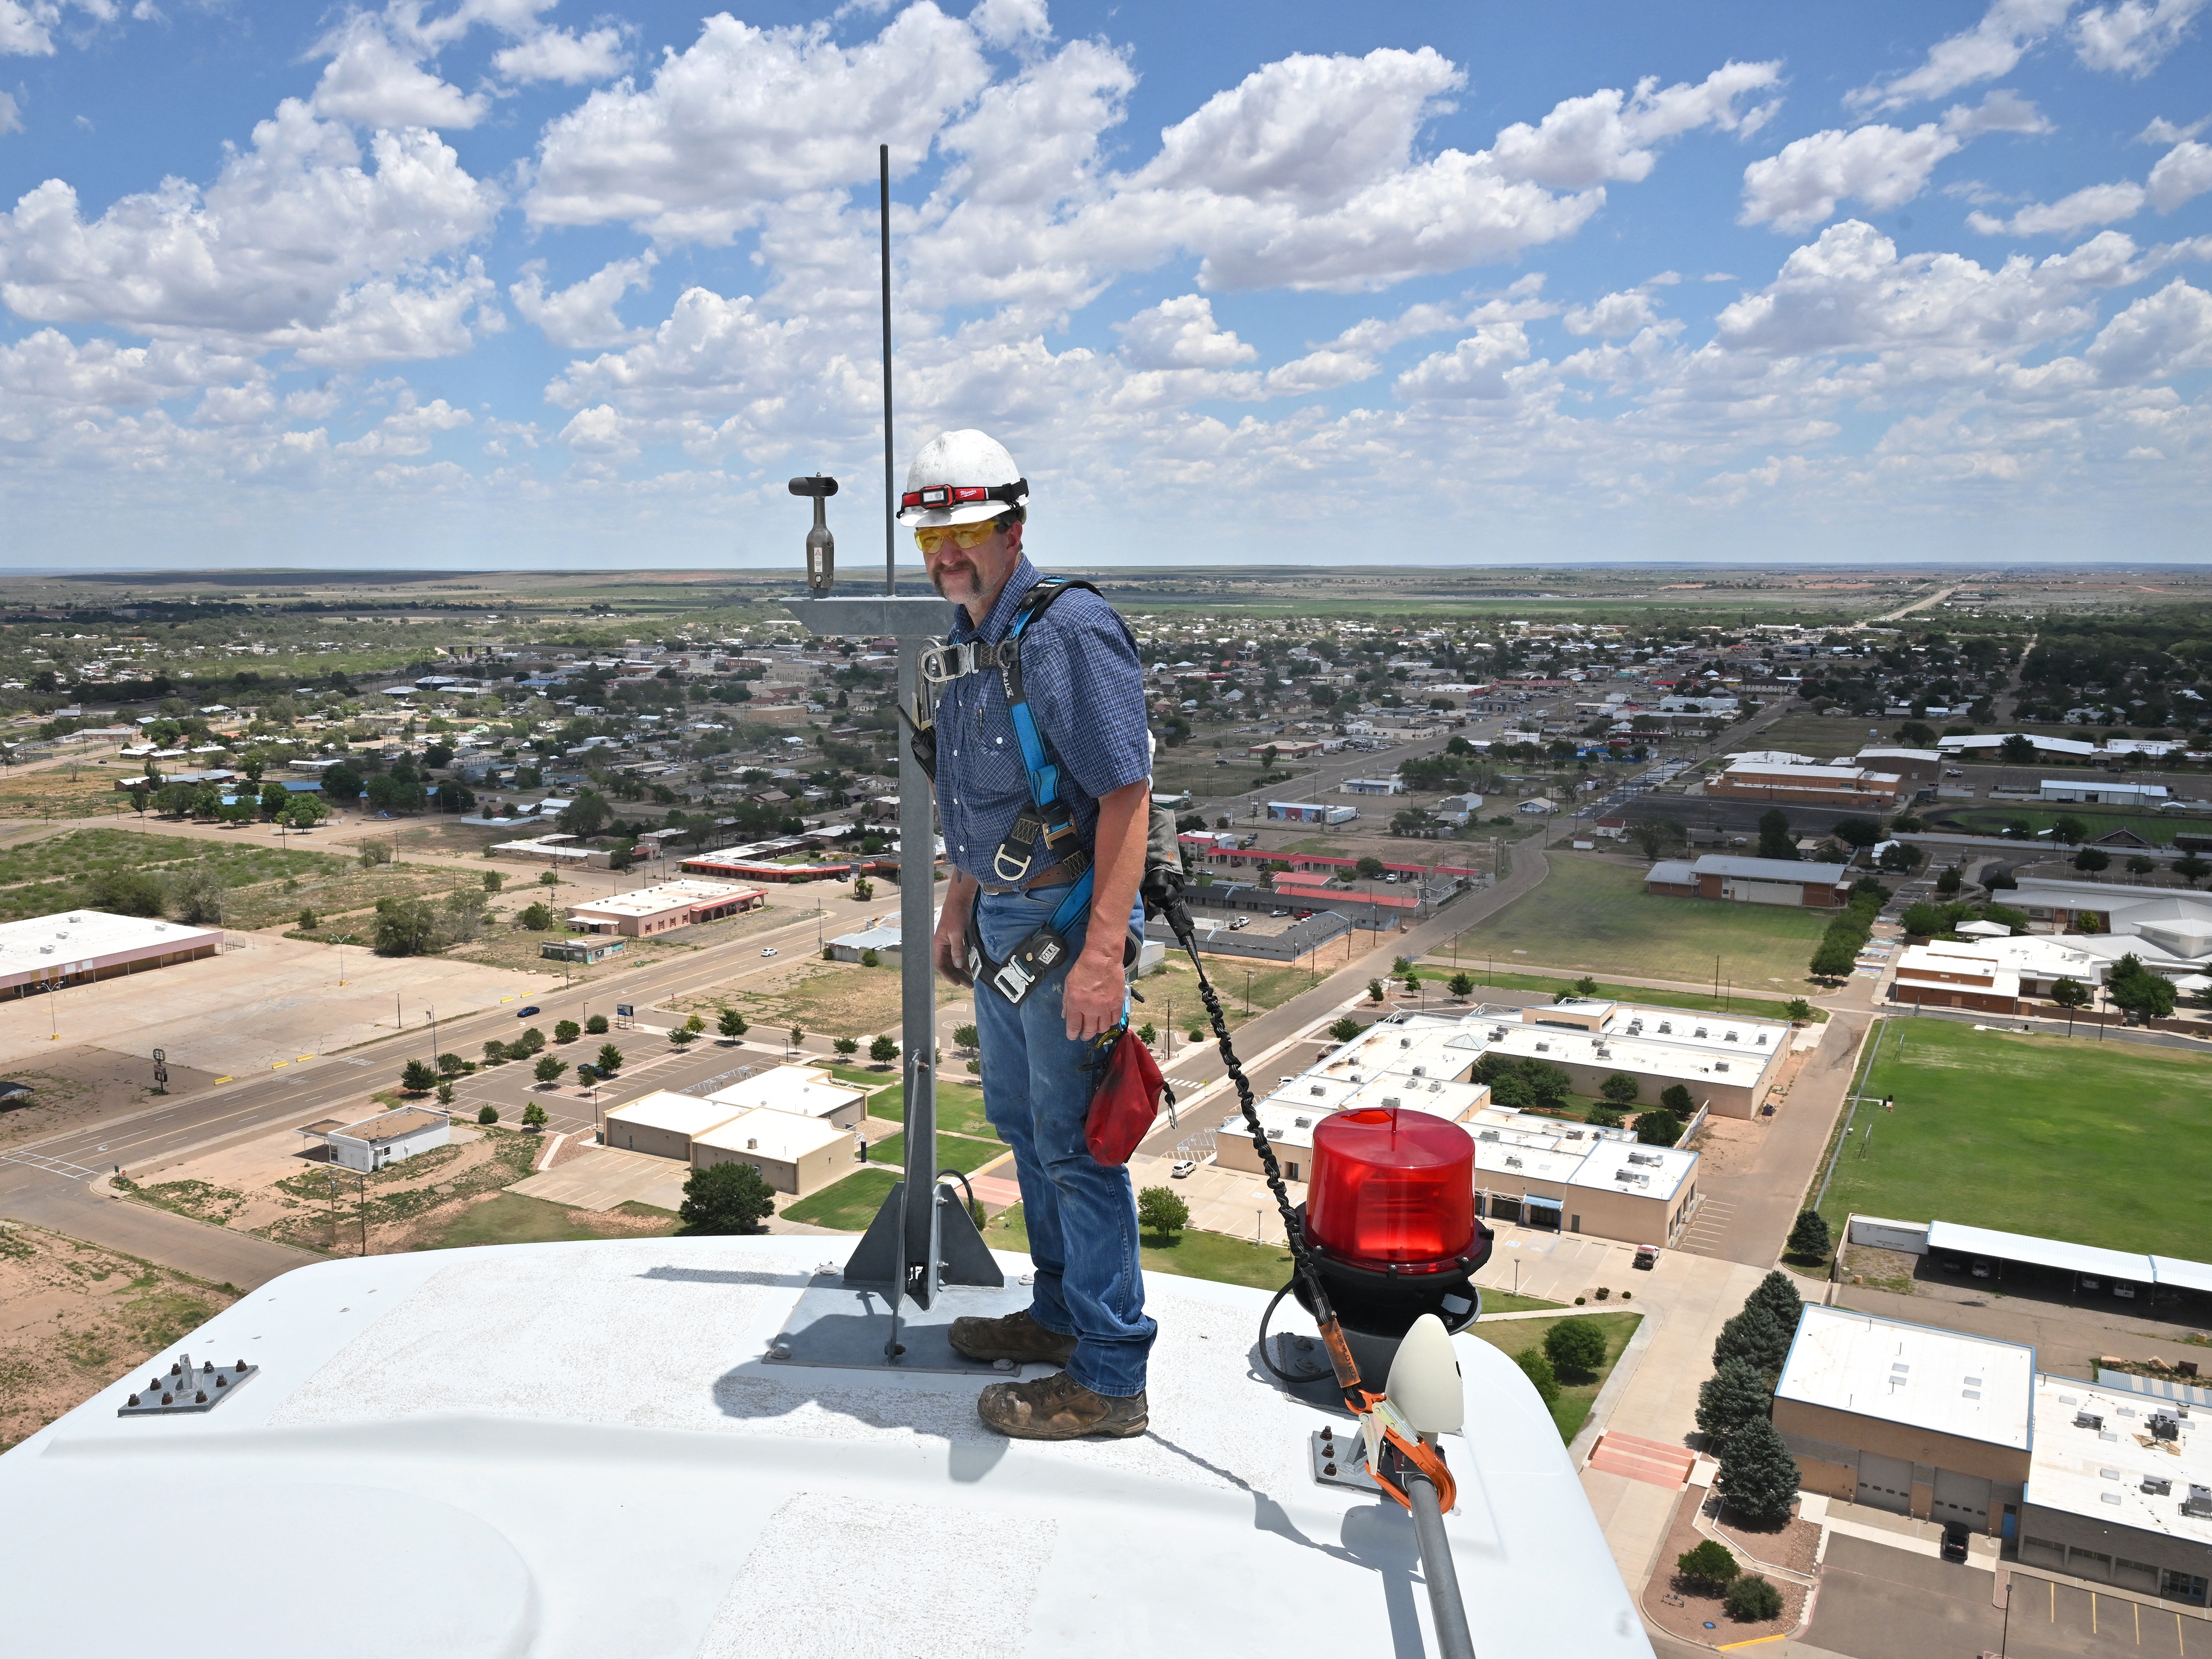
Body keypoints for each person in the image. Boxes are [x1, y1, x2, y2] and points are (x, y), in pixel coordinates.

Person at [906, 429, 1156, 1440]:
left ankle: (1108, 1375)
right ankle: (1058, 1320)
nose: (946, 552)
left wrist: (1104, 949)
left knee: (1078, 1150)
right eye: (933, 532)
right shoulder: (972, 638)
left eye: (964, 530)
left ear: (1014, 528)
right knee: (1022, 1126)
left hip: (1062, 926)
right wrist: (957, 900)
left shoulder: (1065, 632)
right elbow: (984, 796)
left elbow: (1126, 793)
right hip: (1003, 917)